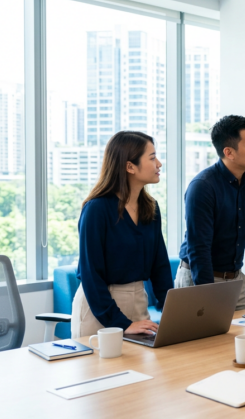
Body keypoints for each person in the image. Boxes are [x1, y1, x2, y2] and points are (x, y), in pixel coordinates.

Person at [175, 115, 245, 310]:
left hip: (235, 280)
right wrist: (207, 294)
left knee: (243, 336)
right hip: (198, 279)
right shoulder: (202, 187)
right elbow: (199, 249)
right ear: (229, 152)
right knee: (206, 341)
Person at [72, 131, 172, 338]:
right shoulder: (96, 209)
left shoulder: (150, 207)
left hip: (138, 301)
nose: (159, 164)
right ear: (130, 166)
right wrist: (121, 323)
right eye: (152, 158)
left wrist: (172, 311)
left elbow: (159, 265)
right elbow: (91, 275)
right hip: (99, 309)